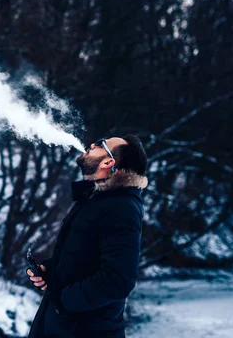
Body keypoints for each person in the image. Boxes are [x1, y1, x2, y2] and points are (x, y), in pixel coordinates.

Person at [26, 135, 148, 338]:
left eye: (101, 144)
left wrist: (64, 300)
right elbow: (85, 258)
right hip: (60, 326)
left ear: (109, 162)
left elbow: (118, 280)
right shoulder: (94, 199)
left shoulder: (121, 207)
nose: (92, 144)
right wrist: (52, 271)